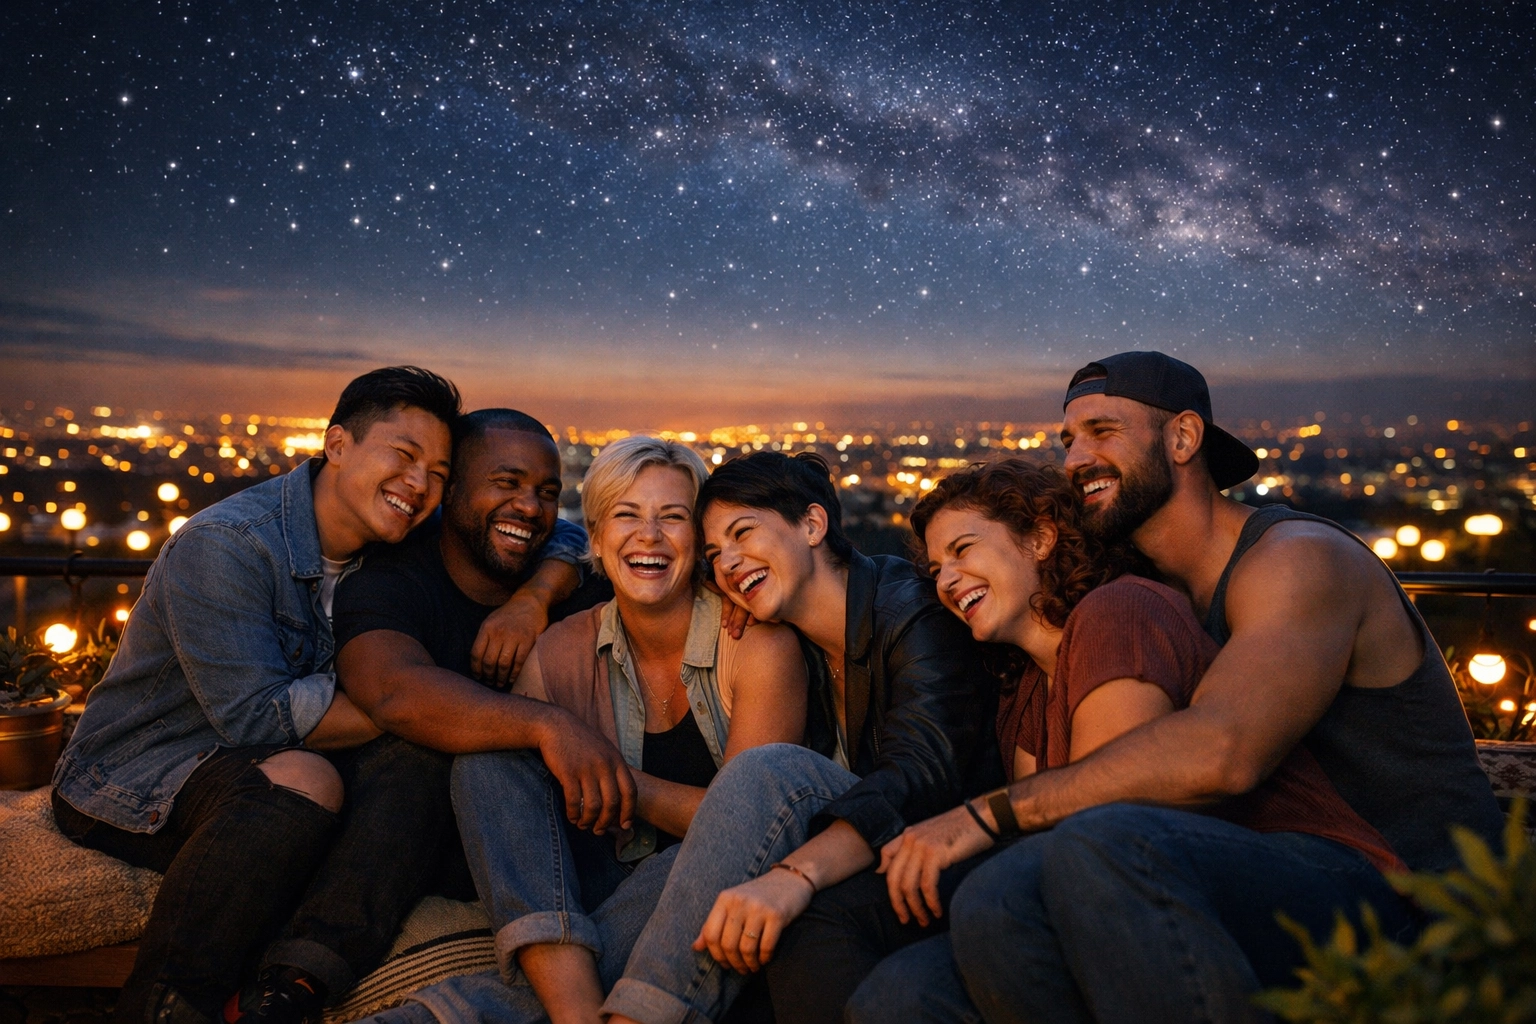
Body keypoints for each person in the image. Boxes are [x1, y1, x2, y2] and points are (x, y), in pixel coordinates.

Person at [853, 351, 1504, 1023]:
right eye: (1068, 440)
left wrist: (984, 814)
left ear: (1183, 438)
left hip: (1415, 896)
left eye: (1103, 431)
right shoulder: (1153, 593)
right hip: (1241, 868)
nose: (1076, 458)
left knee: (1088, 851)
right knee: (904, 991)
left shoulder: (1296, 561)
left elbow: (1223, 750)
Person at [832, 456, 1407, 1024]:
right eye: (935, 571)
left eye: (963, 550)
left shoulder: (1120, 611)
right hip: (1125, 903)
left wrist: (975, 820)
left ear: (1040, 538)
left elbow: (1107, 819)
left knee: (1013, 886)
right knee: (900, 995)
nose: (948, 581)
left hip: (1315, 877)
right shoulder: (1024, 689)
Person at [53, 367, 496, 1024]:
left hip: (274, 763)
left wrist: (535, 598)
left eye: (437, 474)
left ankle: (292, 988)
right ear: (337, 444)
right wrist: (403, 694)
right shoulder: (227, 545)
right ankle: (165, 1007)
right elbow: (254, 719)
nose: (420, 487)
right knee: (310, 774)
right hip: (139, 773)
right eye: (403, 457)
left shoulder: (394, 544)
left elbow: (542, 528)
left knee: (423, 756)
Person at [367, 434, 807, 1024]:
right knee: (492, 756)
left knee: (690, 859)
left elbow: (751, 825)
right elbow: (519, 815)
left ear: (699, 542)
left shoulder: (754, 642)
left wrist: (613, 779)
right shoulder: (558, 650)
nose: (648, 536)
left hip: (715, 881)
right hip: (593, 877)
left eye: (672, 517)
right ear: (596, 539)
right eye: (626, 515)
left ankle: (479, 1012)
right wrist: (555, 743)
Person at [585, 451, 1001, 1024]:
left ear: (812, 524)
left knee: (763, 773)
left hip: (951, 850)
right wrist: (541, 586)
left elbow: (918, 776)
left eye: (743, 533)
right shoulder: (786, 631)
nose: (729, 563)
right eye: (713, 555)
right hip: (866, 841)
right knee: (697, 858)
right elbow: (590, 554)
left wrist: (794, 876)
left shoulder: (913, 615)